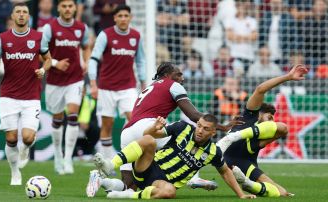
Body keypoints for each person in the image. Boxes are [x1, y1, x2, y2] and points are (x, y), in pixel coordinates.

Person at [86, 62, 239, 196]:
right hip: (148, 126)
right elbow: (193, 115)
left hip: (128, 131)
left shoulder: (152, 86)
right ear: (167, 75)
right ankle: (194, 179)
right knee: (187, 143)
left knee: (130, 185)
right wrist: (222, 127)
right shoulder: (173, 85)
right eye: (178, 75)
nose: (182, 78)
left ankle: (100, 179)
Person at [91, 115, 256, 199]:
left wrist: (241, 195)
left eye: (205, 129)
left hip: (161, 183)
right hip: (147, 166)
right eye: (199, 125)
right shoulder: (182, 127)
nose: (199, 130)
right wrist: (153, 128)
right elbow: (147, 135)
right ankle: (110, 165)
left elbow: (225, 172)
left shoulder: (213, 152)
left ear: (213, 132)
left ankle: (126, 195)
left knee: (170, 192)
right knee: (149, 140)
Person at [216, 64, 308, 197]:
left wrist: (275, 135)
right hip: (226, 156)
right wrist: (287, 77)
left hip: (245, 164)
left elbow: (281, 132)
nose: (271, 121)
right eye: (269, 117)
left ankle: (248, 184)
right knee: (282, 127)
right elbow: (260, 89)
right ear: (260, 112)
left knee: (283, 193)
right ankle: (234, 137)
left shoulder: (262, 136)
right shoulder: (249, 115)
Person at [0, 3, 52, 185]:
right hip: (8, 95)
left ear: (29, 16)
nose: (22, 15)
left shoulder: (39, 37)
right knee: (11, 138)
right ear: (12, 17)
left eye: (25, 12)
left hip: (31, 96)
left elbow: (48, 59)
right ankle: (15, 172)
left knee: (28, 137)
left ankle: (26, 147)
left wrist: (43, 69)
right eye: (18, 12)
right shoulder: (2, 38)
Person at [88, 4, 146, 160]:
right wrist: (93, 84)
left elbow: (141, 61)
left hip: (128, 88)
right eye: (120, 16)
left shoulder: (136, 36)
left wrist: (144, 84)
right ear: (114, 18)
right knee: (107, 125)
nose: (123, 19)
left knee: (136, 122)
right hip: (107, 88)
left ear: (130, 18)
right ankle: (107, 162)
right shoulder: (105, 35)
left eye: (126, 16)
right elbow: (93, 59)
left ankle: (135, 158)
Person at [41, 0, 91, 175]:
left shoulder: (81, 28)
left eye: (70, 6)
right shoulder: (49, 28)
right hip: (55, 80)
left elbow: (86, 46)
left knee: (73, 114)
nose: (68, 9)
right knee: (57, 118)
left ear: (75, 8)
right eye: (64, 6)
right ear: (59, 8)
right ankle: (57, 154)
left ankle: (68, 158)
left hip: (75, 79)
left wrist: (86, 61)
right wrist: (55, 63)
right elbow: (40, 52)